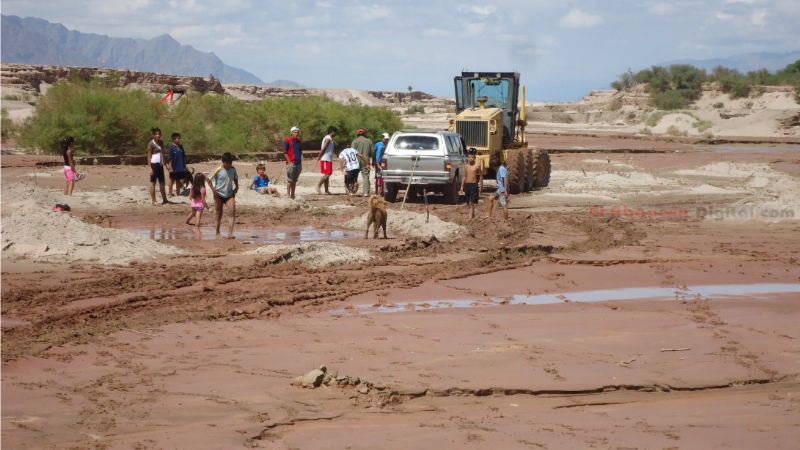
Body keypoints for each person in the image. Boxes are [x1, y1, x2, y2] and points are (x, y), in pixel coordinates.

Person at [206, 152, 239, 238]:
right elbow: (208, 179)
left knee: (232, 212)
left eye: (230, 163)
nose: (229, 165)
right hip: (219, 195)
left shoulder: (233, 169)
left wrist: (237, 187)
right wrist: (213, 190)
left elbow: (235, 178)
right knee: (218, 213)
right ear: (223, 162)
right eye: (227, 163)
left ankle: (230, 233)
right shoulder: (218, 169)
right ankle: (217, 233)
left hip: (230, 194)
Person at [146, 127, 171, 205]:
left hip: (160, 164)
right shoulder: (151, 144)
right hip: (154, 164)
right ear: (153, 135)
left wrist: (166, 164)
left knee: (162, 182)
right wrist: (150, 168)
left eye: (159, 134)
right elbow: (149, 156)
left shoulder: (161, 142)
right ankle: (154, 201)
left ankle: (164, 199)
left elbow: (163, 154)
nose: (158, 135)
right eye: (156, 134)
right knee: (153, 182)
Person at [460, 147, 484, 219]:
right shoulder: (466, 166)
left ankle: (470, 217)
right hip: (467, 185)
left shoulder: (477, 166)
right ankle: (472, 215)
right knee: (468, 202)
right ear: (467, 157)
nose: (471, 159)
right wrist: (462, 186)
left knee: (471, 201)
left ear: (475, 157)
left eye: (472, 157)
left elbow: (480, 176)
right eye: (469, 157)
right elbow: (464, 176)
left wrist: (481, 187)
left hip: (474, 185)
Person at [351, 128, 373, 197]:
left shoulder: (355, 141)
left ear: (357, 134)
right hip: (365, 161)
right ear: (364, 134)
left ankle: (352, 191)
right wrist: (372, 161)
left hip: (356, 160)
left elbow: (352, 152)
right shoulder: (369, 141)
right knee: (366, 177)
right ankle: (366, 192)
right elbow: (372, 152)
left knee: (354, 176)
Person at [487, 156, 509, 220]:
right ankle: (489, 216)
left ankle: (506, 220)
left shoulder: (501, 169)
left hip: (502, 190)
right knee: (491, 198)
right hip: (500, 189)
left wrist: (505, 190)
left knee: (504, 205)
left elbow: (505, 179)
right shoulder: (500, 168)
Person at [316, 126, 337, 194]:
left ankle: (326, 190)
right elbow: (323, 148)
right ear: (332, 132)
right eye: (335, 132)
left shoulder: (329, 138)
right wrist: (319, 156)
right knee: (328, 174)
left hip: (328, 159)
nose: (335, 134)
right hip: (325, 159)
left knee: (327, 174)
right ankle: (318, 186)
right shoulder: (328, 138)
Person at [284, 126, 302, 199]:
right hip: (292, 163)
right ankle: (288, 194)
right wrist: (289, 162)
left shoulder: (298, 141)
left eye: (297, 132)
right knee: (290, 180)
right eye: (295, 132)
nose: (296, 133)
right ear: (291, 132)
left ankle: (293, 194)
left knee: (294, 180)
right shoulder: (288, 140)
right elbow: (285, 152)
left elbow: (300, 151)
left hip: (298, 163)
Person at [168, 132, 188, 197]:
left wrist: (185, 166)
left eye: (180, 138)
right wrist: (170, 167)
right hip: (174, 167)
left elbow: (183, 157)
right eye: (178, 138)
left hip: (180, 167)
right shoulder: (171, 148)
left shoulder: (181, 147)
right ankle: (170, 193)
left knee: (178, 180)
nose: (179, 140)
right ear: (174, 139)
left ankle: (178, 193)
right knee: (171, 180)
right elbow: (169, 159)